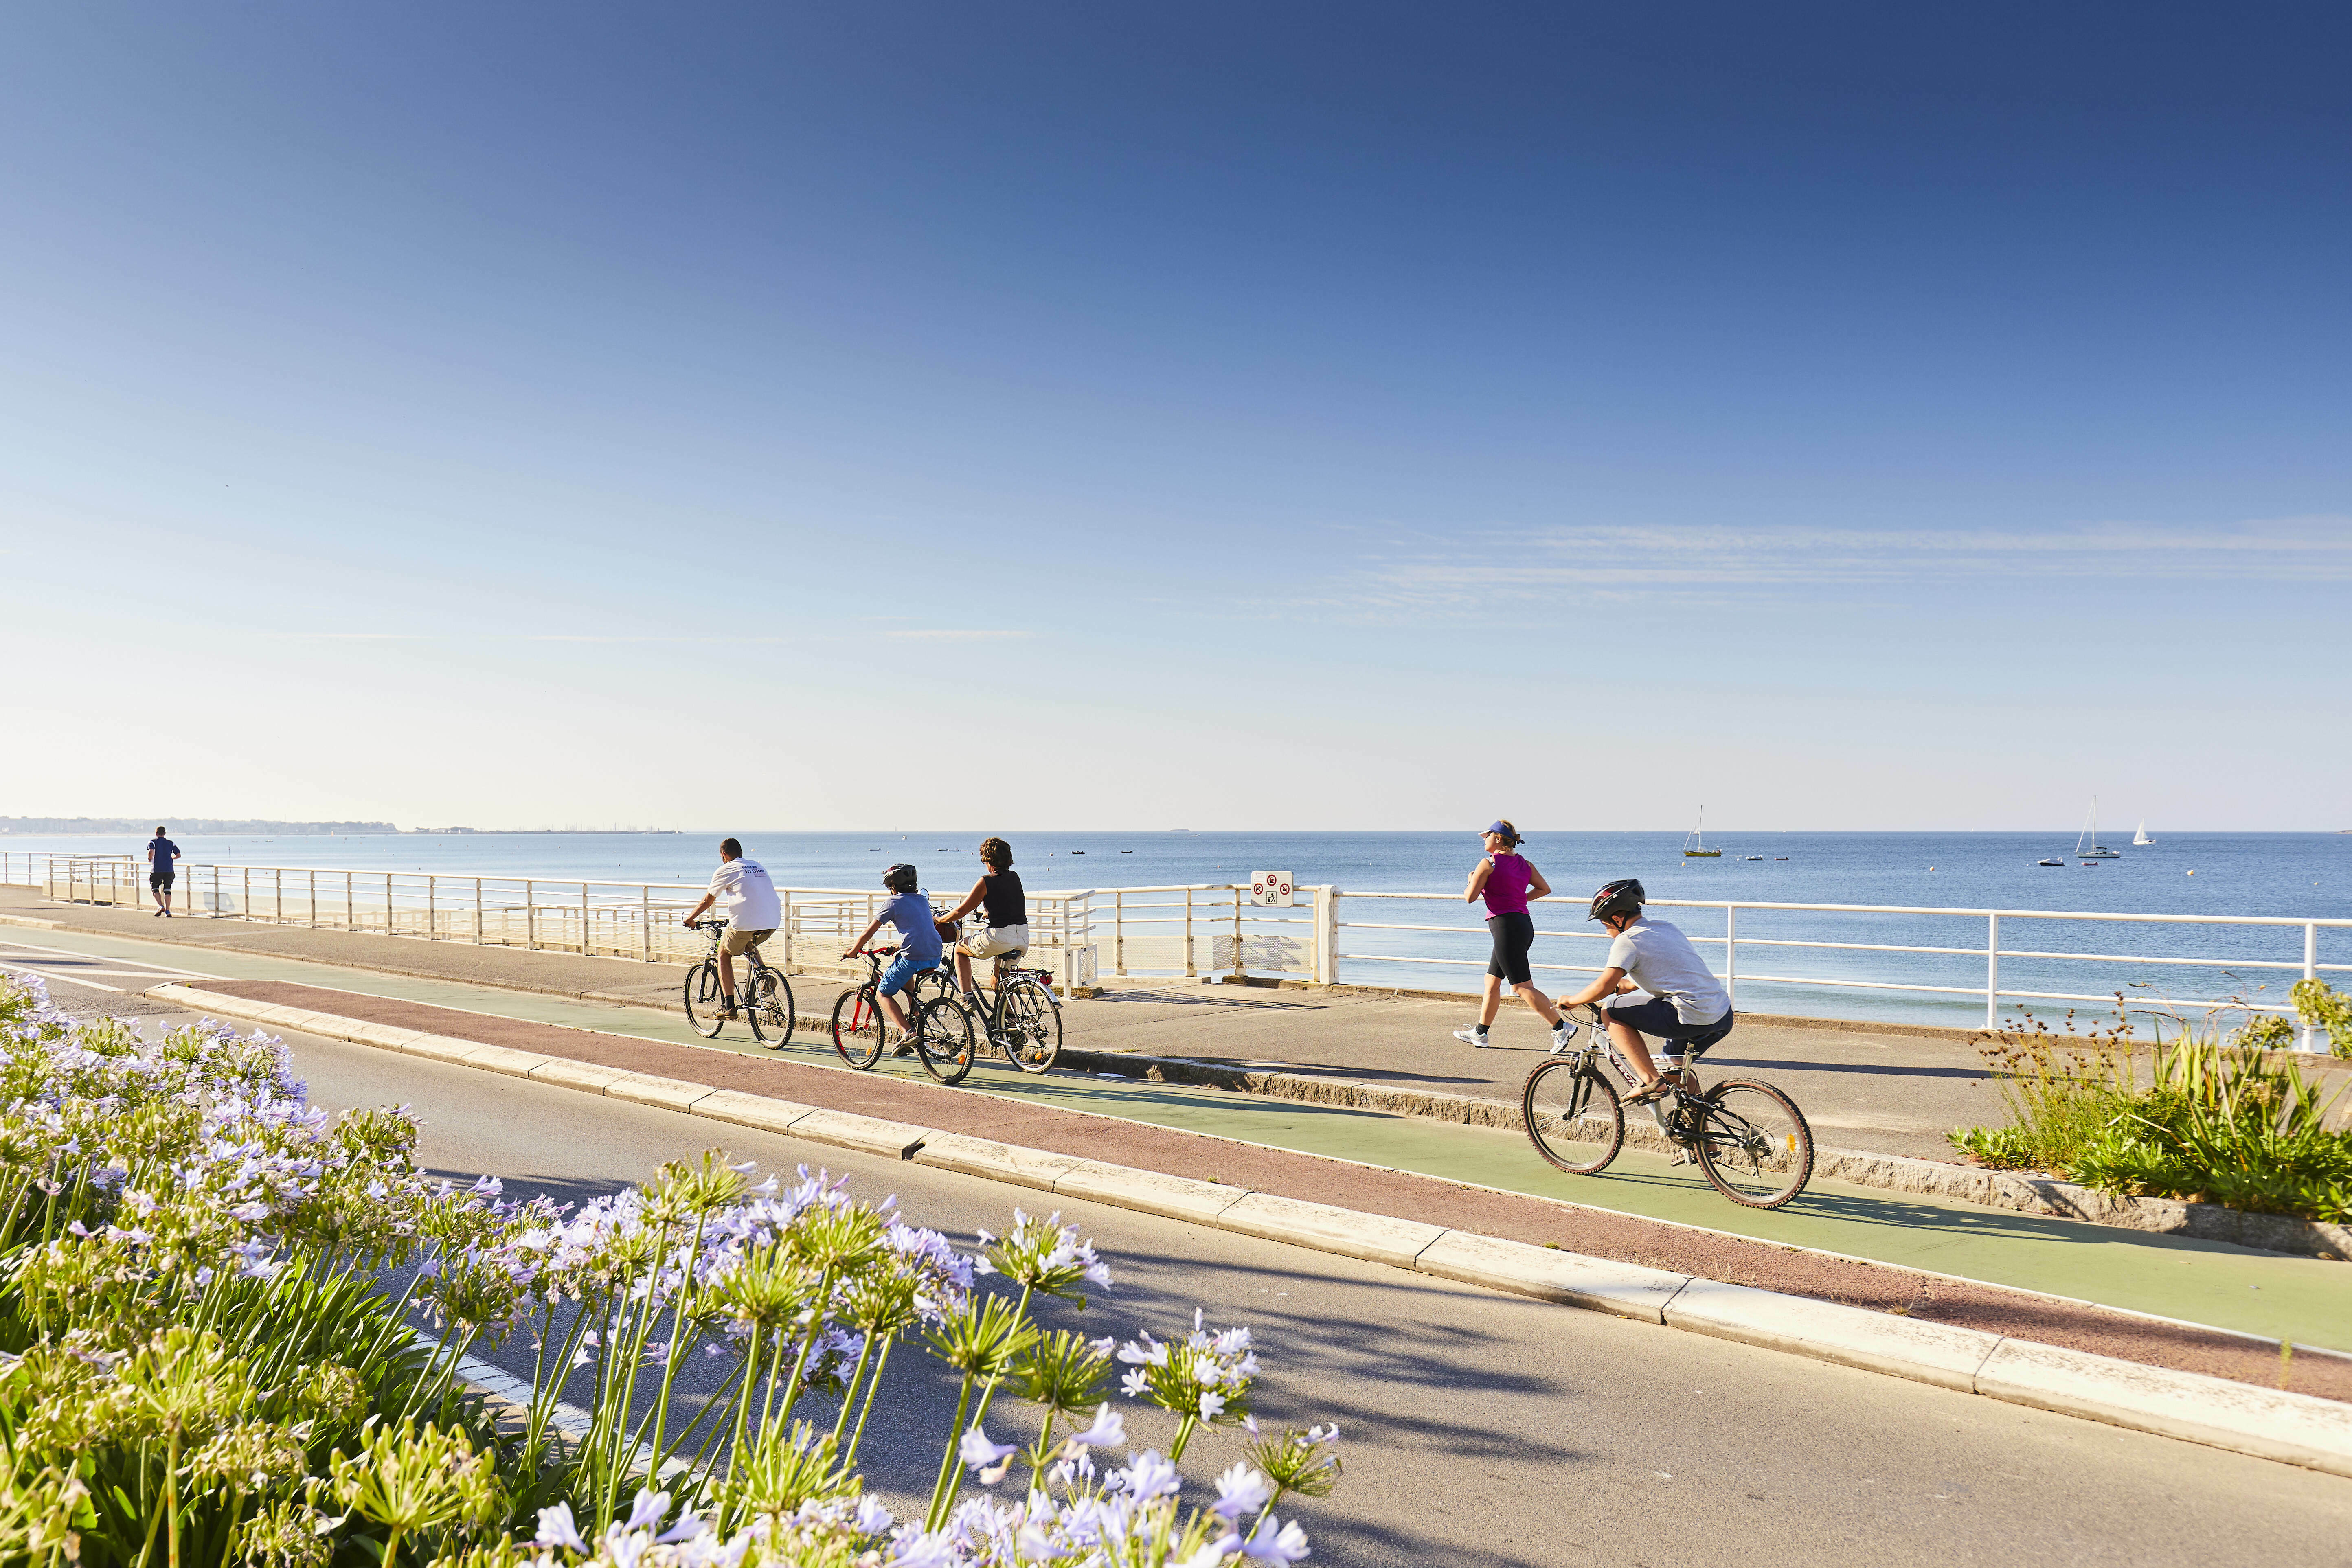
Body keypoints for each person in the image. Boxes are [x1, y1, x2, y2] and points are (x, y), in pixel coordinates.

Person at [1557, 878, 1734, 1103]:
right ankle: (1703, 1133)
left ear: (1617, 918)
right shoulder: (1666, 928)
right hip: (1721, 1013)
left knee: (1610, 1010)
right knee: (1673, 1069)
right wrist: (1630, 985)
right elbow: (1674, 969)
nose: (1606, 932)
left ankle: (1651, 1081)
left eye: (1605, 925)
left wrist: (1571, 1001)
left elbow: (1603, 987)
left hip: (1688, 1016)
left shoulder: (1627, 940)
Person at [1452, 820, 1573, 1050]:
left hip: (1506, 928)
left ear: (1497, 838)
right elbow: (1544, 889)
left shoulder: (1489, 864)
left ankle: (1560, 1027)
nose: (1483, 840)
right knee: (1492, 981)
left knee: (1521, 987)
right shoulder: (1524, 864)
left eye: (1487, 836)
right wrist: (1518, 901)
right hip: (1523, 926)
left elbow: (1470, 897)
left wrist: (1471, 878)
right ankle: (1480, 1033)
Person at [842, 862, 943, 1047]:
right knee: (902, 964)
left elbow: (869, 932)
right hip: (935, 954)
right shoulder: (922, 900)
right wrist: (899, 947)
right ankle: (916, 1013)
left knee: (883, 993)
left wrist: (853, 951)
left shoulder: (893, 903)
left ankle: (908, 1032)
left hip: (913, 957)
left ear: (893, 886)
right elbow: (920, 930)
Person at [680, 838, 781, 1019]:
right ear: (741, 852)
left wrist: (691, 919)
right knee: (748, 944)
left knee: (723, 954)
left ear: (723, 854)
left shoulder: (725, 870)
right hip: (772, 922)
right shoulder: (758, 866)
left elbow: (707, 901)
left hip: (746, 923)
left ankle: (728, 1005)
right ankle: (765, 977)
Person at [939, 837, 1028, 1000]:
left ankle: (966, 997)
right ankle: (1011, 1022)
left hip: (1000, 937)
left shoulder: (986, 881)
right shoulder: (1015, 877)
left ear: (989, 860)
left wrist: (940, 920)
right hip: (1022, 937)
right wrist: (990, 913)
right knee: (998, 983)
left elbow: (961, 911)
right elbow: (1009, 904)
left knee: (959, 950)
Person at [145, 825, 182, 917]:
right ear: (165, 834)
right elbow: (178, 855)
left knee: (155, 888)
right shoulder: (171, 843)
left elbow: (151, 852)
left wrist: (150, 859)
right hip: (169, 870)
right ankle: (168, 911)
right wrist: (171, 858)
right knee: (167, 890)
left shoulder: (152, 842)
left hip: (157, 870)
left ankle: (161, 906)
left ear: (156, 833)